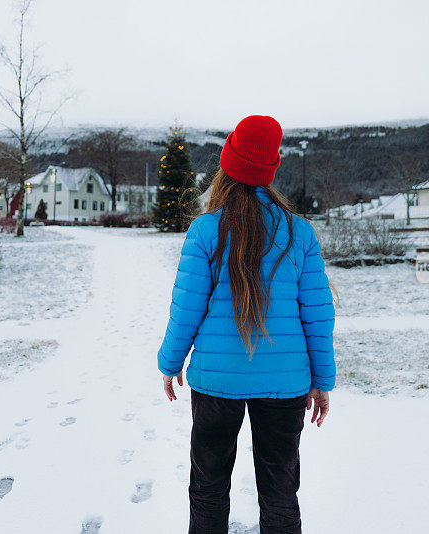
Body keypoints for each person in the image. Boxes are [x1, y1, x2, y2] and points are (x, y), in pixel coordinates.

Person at [157, 115, 336, 534]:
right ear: (270, 169)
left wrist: (170, 364)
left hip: (216, 383)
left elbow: (185, 308)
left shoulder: (204, 231)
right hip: (287, 383)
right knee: (279, 490)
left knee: (208, 485)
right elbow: (318, 316)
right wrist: (322, 380)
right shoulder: (300, 234)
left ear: (227, 165)